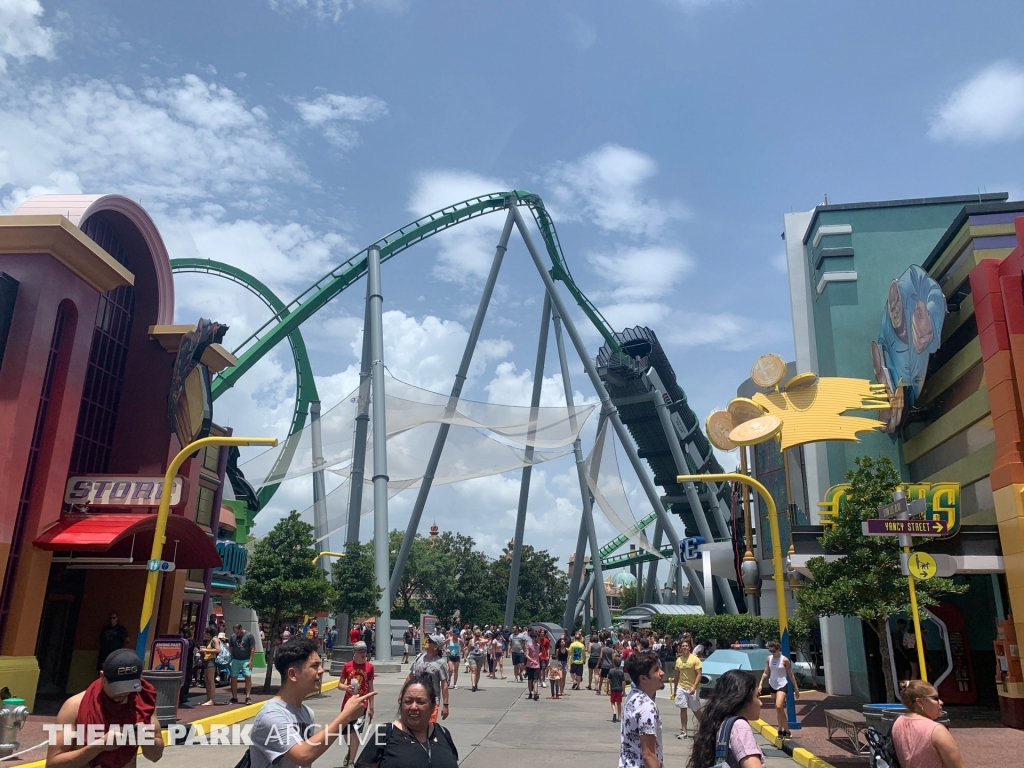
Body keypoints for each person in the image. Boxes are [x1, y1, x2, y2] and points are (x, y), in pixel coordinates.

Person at [249, 638, 374, 768]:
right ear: (292, 674)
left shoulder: (307, 713)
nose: (321, 671)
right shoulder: (271, 716)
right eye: (314, 666)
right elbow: (304, 756)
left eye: (320, 665)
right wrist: (346, 716)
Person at [46, 649, 163, 768]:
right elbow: (52, 764)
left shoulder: (142, 702)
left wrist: (146, 738)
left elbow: (155, 756)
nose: (123, 693)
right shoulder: (74, 706)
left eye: (129, 687)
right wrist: (99, 746)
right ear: (102, 676)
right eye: (117, 688)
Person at [355, 673, 459, 768]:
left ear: (432, 707)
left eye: (420, 702)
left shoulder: (443, 733)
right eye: (408, 701)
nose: (413, 707)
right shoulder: (384, 733)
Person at [687, 669, 764, 768]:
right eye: (757, 696)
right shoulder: (739, 726)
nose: (760, 703)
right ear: (745, 699)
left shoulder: (721, 723)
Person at [891, 680, 966, 768]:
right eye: (935, 698)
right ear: (920, 702)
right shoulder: (936, 730)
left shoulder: (897, 722)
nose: (941, 702)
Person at [619, 650, 665, 768]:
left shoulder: (632, 696)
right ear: (643, 679)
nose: (662, 673)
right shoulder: (647, 707)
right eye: (656, 670)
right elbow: (648, 755)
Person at [340, 641, 376, 767]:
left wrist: (371, 706)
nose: (363, 653)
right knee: (345, 732)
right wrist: (346, 687)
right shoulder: (347, 666)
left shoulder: (370, 667)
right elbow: (339, 684)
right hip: (348, 703)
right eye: (360, 651)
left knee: (355, 731)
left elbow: (370, 688)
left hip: (362, 705)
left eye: (364, 651)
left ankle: (351, 761)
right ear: (354, 652)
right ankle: (351, 750)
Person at [758, 640, 799, 739]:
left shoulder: (784, 660)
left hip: (782, 684)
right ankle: (786, 731)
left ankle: (780, 729)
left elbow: (790, 674)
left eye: (774, 651)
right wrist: (760, 684)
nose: (772, 653)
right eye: (770, 651)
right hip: (772, 684)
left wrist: (796, 688)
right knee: (778, 709)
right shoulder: (769, 659)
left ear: (778, 650)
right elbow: (766, 672)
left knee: (779, 705)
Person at [408, 634, 450, 723]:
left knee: (429, 727)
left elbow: (444, 684)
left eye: (430, 641)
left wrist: (445, 705)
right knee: (415, 725)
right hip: (416, 699)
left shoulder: (440, 663)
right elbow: (410, 676)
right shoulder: (419, 657)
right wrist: (402, 693)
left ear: (435, 647)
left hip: (432, 701)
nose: (427, 641)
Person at [673, 641, 702, 739]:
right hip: (681, 687)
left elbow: (699, 674)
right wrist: (675, 689)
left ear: (689, 648)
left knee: (696, 710)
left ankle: (706, 727)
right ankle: (684, 731)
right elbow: (677, 675)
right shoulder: (678, 660)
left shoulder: (695, 659)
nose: (684, 647)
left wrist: (694, 687)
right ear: (680, 648)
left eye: (686, 646)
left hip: (692, 688)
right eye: (683, 646)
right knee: (683, 708)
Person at [228, 623, 256, 705]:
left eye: (238, 632)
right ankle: (234, 697)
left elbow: (253, 648)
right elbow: (230, 647)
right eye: (235, 632)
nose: (237, 634)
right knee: (233, 678)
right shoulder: (233, 637)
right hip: (235, 659)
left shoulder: (249, 635)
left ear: (241, 629)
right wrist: (231, 657)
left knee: (248, 676)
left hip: (246, 659)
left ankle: (247, 697)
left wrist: (251, 660)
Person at [198, 627, 222, 706]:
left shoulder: (214, 639)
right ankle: (208, 698)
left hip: (211, 661)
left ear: (208, 633)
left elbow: (217, 650)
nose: (204, 635)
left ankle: (211, 699)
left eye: (205, 633)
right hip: (207, 660)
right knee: (207, 680)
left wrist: (205, 650)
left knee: (211, 680)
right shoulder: (209, 640)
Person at [524, 629, 541, 701]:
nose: (538, 639)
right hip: (530, 665)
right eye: (537, 638)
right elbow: (526, 655)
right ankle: (530, 692)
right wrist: (532, 660)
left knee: (536, 679)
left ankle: (535, 693)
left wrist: (540, 655)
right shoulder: (529, 645)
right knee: (530, 679)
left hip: (537, 665)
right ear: (534, 638)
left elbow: (538, 653)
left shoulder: (538, 645)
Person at [608, 656, 625, 723]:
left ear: (613, 663)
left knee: (612, 702)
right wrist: (623, 690)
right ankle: (619, 717)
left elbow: (609, 680)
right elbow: (623, 682)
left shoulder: (611, 671)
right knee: (619, 703)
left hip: (613, 689)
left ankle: (614, 712)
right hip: (619, 689)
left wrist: (608, 688)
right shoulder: (621, 672)